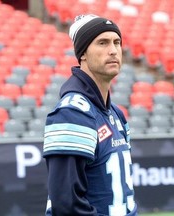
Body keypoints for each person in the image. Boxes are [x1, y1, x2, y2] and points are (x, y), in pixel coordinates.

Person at [43, 14, 138, 215]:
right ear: (83, 53)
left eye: (117, 42)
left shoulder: (116, 114)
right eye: (102, 43)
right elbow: (67, 205)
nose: (113, 50)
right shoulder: (72, 113)